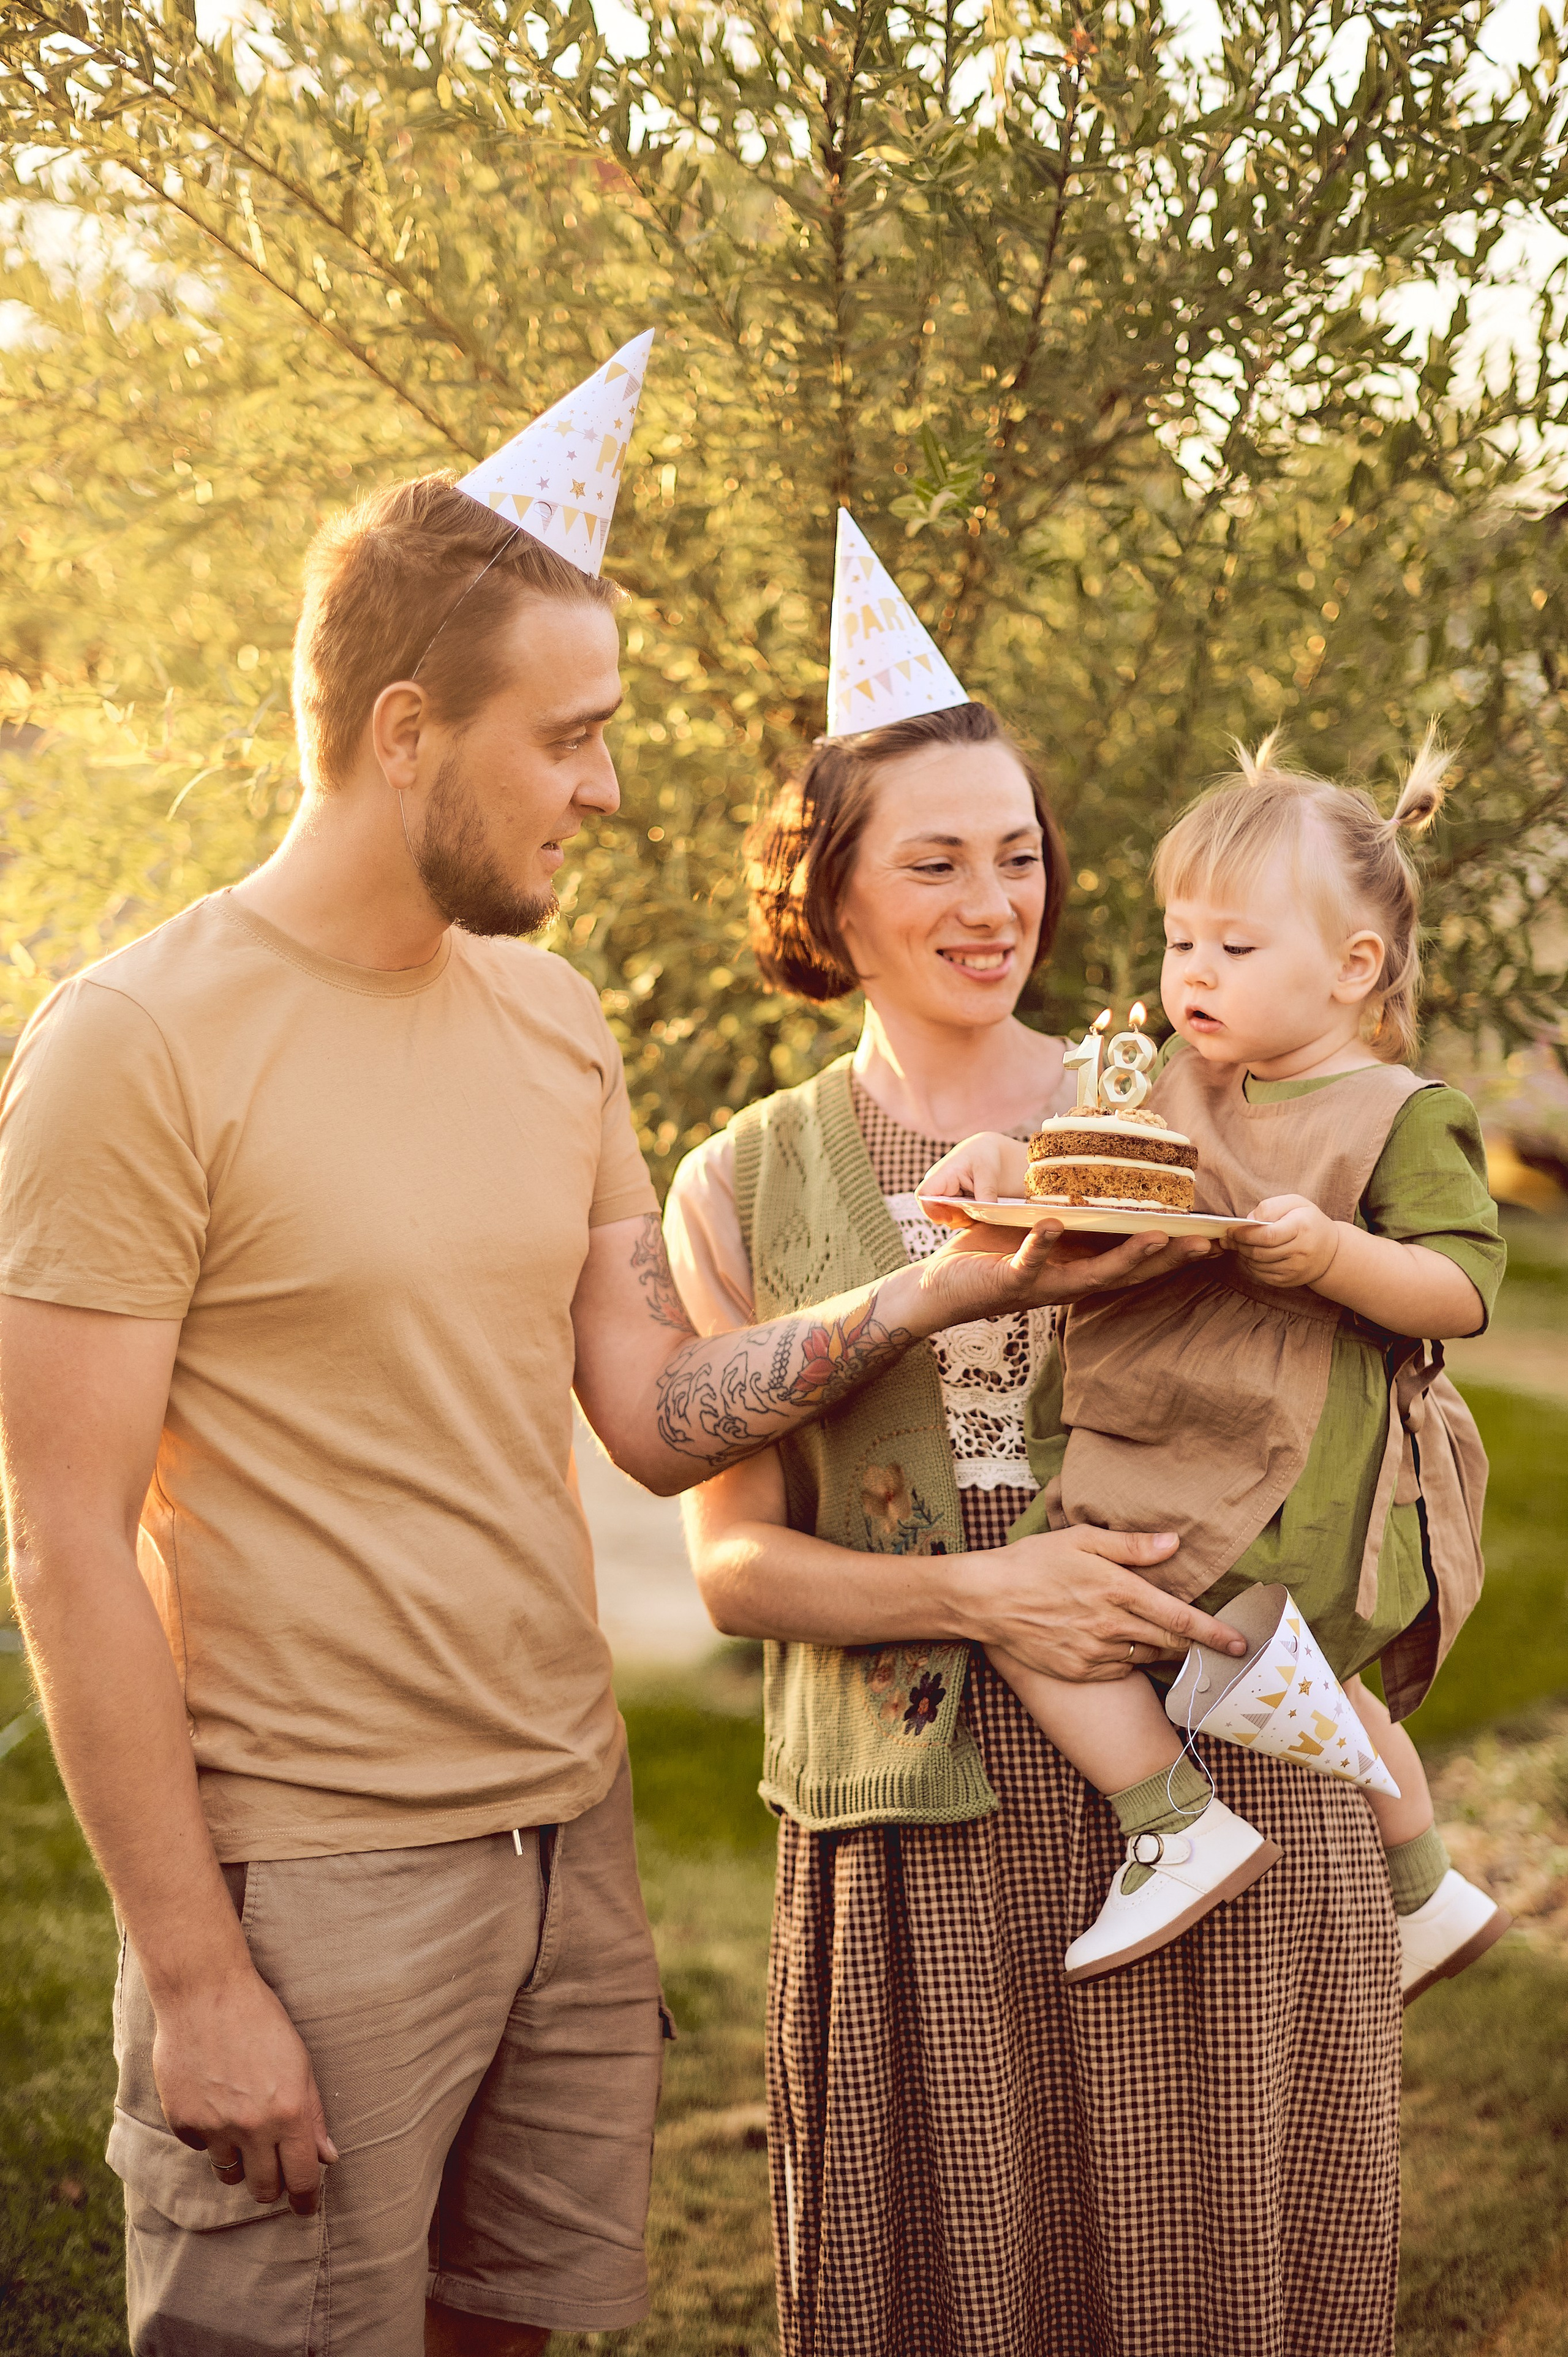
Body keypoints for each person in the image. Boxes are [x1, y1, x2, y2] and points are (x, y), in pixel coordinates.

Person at [0, 475, 1226, 2357]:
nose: (611, 789)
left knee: (509, 2329)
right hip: (315, 1876)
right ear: (405, 731)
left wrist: (935, 1290)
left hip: (568, 1842)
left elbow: (656, 1414)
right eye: (570, 737)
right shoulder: (134, 1044)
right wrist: (198, 1977)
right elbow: (66, 1539)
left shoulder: (553, 1019)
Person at [666, 699, 1422, 2357]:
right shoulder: (743, 1181)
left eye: (1018, 857)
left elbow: (1355, 1393)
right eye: (935, 861)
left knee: (1216, 2273)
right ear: (827, 891)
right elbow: (731, 1567)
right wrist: (992, 1593)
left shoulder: (1195, 1101)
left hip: (1226, 1760)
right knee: (963, 2285)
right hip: (920, 1816)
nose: (994, 904)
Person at [924, 733, 1509, 1993]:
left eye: (1233, 947)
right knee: (1298, 1666)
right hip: (1175, 1420)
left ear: (1353, 968)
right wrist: (1011, 1167)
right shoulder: (1183, 1083)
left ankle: (1171, 1824)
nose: (1192, 970)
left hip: (1278, 1458)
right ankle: (1421, 1888)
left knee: (1040, 1607)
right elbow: (1107, 1179)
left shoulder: (1395, 1112)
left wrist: (1337, 1256)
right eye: (1179, 939)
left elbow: (1462, 1288)